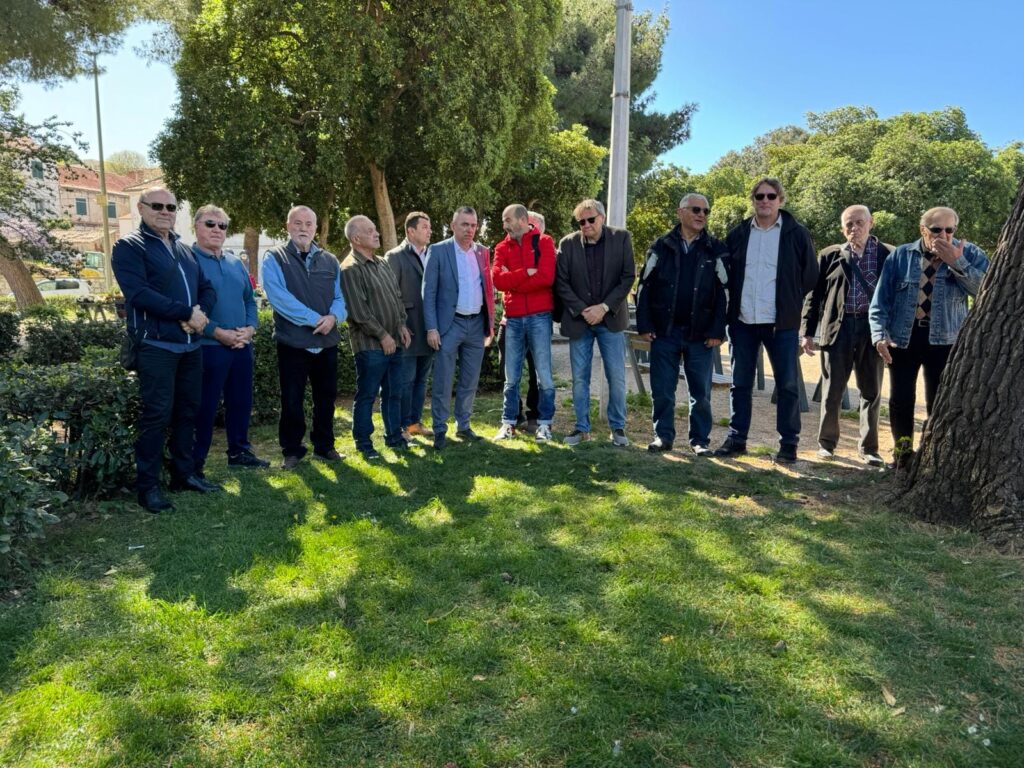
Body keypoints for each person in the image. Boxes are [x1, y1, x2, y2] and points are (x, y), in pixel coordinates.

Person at [112, 186, 220, 513]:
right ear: (141, 208)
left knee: (188, 411)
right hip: (156, 345)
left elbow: (207, 289)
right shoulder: (129, 246)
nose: (165, 212)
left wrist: (199, 315)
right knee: (156, 415)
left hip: (190, 346)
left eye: (171, 207)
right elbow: (139, 294)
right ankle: (148, 487)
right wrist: (186, 313)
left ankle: (183, 475)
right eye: (157, 206)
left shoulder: (184, 250)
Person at [869, 206, 988, 468]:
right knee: (901, 399)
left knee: (939, 402)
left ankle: (932, 459)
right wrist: (879, 335)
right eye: (936, 230)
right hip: (903, 338)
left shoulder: (970, 253)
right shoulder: (901, 255)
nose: (944, 235)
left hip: (946, 341)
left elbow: (986, 290)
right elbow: (881, 301)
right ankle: (902, 456)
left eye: (950, 230)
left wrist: (957, 262)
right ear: (923, 230)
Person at [715, 177, 818, 463]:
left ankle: (788, 444)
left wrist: (789, 299)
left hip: (780, 324)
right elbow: (724, 273)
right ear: (752, 200)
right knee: (740, 384)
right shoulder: (738, 234)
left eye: (771, 196)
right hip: (743, 322)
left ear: (780, 200)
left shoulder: (797, 234)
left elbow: (810, 275)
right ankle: (737, 439)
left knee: (787, 385)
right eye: (759, 196)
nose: (765, 201)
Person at [635, 193, 727, 456]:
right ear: (681, 212)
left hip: (701, 335)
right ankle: (663, 436)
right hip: (665, 332)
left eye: (706, 211)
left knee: (701, 393)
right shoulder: (660, 246)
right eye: (696, 209)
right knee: (663, 390)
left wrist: (717, 330)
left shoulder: (715, 248)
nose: (701, 215)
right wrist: (645, 324)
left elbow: (725, 292)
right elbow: (644, 286)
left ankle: (700, 441)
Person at [801, 205, 890, 467]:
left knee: (871, 391)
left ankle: (869, 448)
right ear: (843, 229)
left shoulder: (888, 255)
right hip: (837, 329)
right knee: (832, 391)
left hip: (873, 330)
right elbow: (814, 296)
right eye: (849, 224)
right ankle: (826, 444)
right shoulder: (830, 255)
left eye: (860, 222)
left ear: (871, 223)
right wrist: (807, 332)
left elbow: (899, 295)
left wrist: (892, 332)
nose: (855, 228)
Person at [261, 205, 347, 470]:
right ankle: (292, 450)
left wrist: (333, 318)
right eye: (297, 223)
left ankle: (324, 446)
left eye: (309, 224)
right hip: (293, 342)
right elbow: (279, 298)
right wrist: (315, 319)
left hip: (326, 342)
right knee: (292, 399)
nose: (303, 228)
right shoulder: (274, 258)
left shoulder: (330, 260)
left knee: (326, 398)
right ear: (288, 226)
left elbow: (341, 298)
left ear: (315, 228)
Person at [191, 205, 269, 476]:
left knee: (240, 402)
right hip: (208, 347)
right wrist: (217, 332)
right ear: (196, 227)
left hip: (241, 346)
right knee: (205, 407)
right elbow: (188, 308)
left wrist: (250, 329)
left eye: (222, 226)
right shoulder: (188, 261)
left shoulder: (236, 263)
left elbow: (249, 300)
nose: (217, 230)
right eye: (210, 224)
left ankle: (239, 452)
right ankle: (195, 463)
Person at [555, 199, 636, 447]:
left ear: (602, 217)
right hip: (579, 321)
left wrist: (603, 307)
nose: (586, 225)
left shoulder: (621, 238)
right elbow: (561, 282)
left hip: (610, 319)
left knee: (616, 376)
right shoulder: (567, 244)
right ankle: (582, 428)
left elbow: (628, 277)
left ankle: (617, 428)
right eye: (581, 221)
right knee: (580, 378)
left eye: (591, 219)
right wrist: (583, 310)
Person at [421, 206, 496, 450]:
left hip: (476, 324)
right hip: (448, 325)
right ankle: (440, 428)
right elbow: (428, 293)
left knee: (470, 379)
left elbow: (488, 291)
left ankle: (463, 425)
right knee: (443, 379)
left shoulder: (482, 252)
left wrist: (489, 326)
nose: (469, 229)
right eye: (464, 224)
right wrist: (431, 328)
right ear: (453, 226)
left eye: (473, 225)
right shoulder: (438, 250)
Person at [339, 215, 412, 460]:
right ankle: (363, 443)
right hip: (370, 346)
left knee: (394, 393)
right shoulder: (350, 269)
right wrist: (382, 336)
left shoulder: (382, 263)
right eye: (370, 231)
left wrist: (401, 325)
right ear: (356, 238)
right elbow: (358, 312)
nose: (377, 233)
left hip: (395, 341)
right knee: (367, 395)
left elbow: (397, 297)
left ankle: (394, 437)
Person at [492, 204, 557, 442]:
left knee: (543, 374)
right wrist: (526, 273)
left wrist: (514, 280)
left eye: (507, 220)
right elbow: (498, 280)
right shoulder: (501, 247)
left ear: (522, 220)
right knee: (511, 376)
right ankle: (508, 423)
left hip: (539, 316)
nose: (504, 225)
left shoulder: (544, 242)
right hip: (513, 319)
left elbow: (546, 277)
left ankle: (544, 424)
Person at [384, 212, 435, 439]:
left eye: (429, 227)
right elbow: (390, 294)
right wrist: (399, 324)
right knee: (405, 381)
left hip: (429, 329)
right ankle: (402, 427)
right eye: (424, 227)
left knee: (421, 380)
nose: (429, 231)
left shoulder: (432, 254)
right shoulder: (394, 256)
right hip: (407, 329)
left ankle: (414, 422)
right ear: (410, 231)